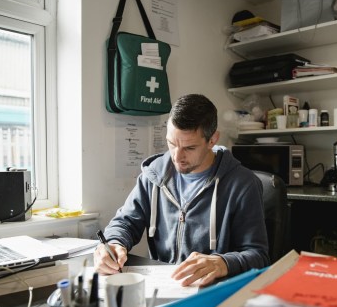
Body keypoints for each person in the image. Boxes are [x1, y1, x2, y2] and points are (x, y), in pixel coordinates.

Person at [94, 94, 270, 286]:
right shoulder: (153, 175)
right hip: (161, 287)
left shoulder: (243, 184)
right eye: (172, 144)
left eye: (189, 147)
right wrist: (113, 244)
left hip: (211, 292)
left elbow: (258, 256)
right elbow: (125, 222)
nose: (177, 156)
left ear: (212, 140)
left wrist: (223, 262)